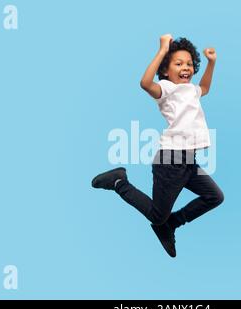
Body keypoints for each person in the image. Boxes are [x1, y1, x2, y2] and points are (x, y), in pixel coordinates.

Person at [91, 34, 224, 258]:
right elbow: (145, 83)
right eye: (178, 63)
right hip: (170, 161)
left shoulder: (191, 90)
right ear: (165, 70)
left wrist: (211, 63)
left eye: (190, 63)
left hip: (188, 162)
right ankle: (118, 181)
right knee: (156, 216)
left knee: (215, 197)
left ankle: (172, 223)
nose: (186, 67)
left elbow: (205, 87)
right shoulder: (167, 90)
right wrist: (163, 50)